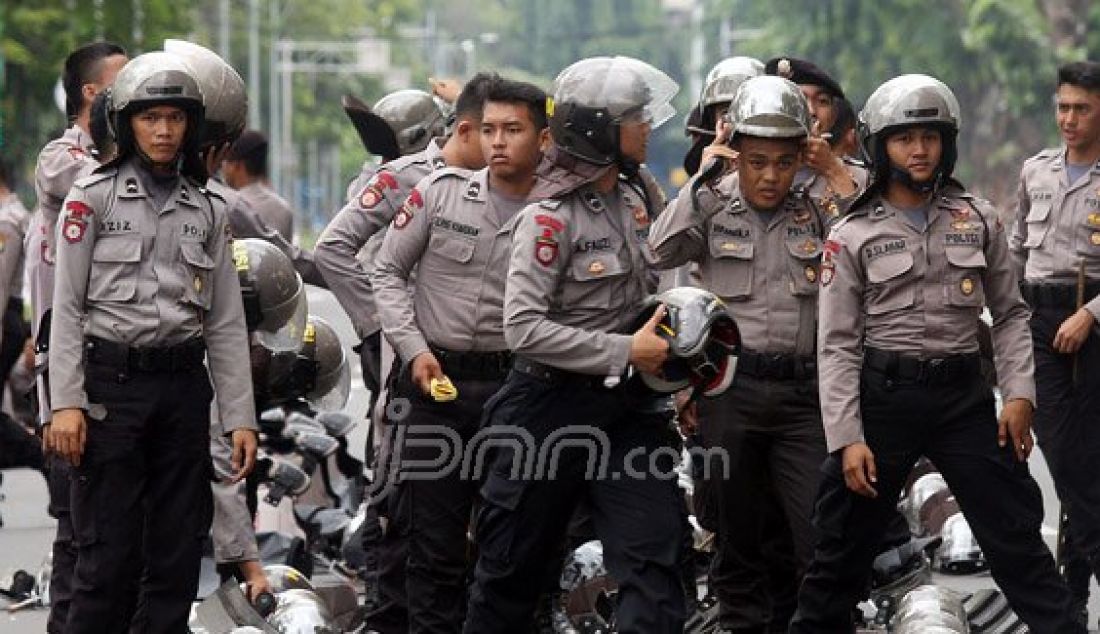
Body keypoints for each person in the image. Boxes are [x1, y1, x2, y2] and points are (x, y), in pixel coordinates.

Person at [790, 73, 1082, 634]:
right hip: (882, 405)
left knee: (1018, 548)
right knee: (838, 562)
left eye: (931, 136)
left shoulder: (979, 218)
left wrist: (1019, 395)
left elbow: (1013, 313)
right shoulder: (850, 235)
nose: (920, 149)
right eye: (904, 138)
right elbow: (837, 344)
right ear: (881, 146)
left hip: (964, 404)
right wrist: (846, 437)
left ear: (948, 141)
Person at [463, 55, 684, 633]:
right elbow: (524, 329)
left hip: (629, 413)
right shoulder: (548, 220)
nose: (647, 127)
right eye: (635, 117)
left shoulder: (638, 199)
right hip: (546, 411)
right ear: (599, 129)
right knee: (509, 579)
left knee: (655, 569)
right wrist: (622, 351)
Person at [47, 52, 258, 633]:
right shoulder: (91, 198)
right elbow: (64, 308)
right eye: (150, 118)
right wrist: (63, 402)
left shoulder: (209, 209)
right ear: (127, 124)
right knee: (107, 561)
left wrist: (240, 417)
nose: (164, 131)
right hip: (110, 391)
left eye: (174, 118)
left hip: (183, 392)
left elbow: (222, 321)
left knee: (176, 560)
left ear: (191, 126)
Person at [370, 76, 549, 633]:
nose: (498, 142)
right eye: (490, 129)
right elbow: (387, 270)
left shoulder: (557, 211)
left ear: (543, 138)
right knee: (433, 550)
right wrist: (413, 348)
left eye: (513, 130)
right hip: (434, 390)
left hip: (516, 393)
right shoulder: (438, 193)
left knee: (510, 550)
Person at [316, 73, 494, 627]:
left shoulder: (509, 185)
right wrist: (379, 328)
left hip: (482, 368)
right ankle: (390, 616)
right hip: (408, 365)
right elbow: (334, 249)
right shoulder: (404, 178)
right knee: (399, 505)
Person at [650, 75, 827, 633]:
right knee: (737, 540)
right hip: (730, 393)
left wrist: (836, 175)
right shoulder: (709, 204)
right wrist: (703, 176)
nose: (770, 176)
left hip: (807, 397)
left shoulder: (821, 205)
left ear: (800, 155)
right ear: (736, 155)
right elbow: (660, 249)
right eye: (755, 161)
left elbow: (864, 247)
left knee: (819, 538)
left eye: (783, 161)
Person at [29, 39, 127, 634]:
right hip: (70, 372)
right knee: (80, 528)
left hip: (116, 372)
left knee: (115, 529)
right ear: (93, 93)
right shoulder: (62, 160)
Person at [1010, 60, 1100, 625]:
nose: (1069, 118)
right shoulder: (1035, 172)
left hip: (1091, 321)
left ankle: (1073, 593)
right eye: (1062, 106)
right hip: (1039, 323)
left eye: (1082, 108)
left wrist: (1090, 314)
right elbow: (1016, 250)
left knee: (1088, 460)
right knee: (1064, 454)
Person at [765, 56, 865, 218]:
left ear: (833, 116)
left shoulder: (861, 179)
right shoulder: (745, 171)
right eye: (800, 99)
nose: (811, 111)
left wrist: (832, 169)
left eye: (822, 101)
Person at [222, 129, 295, 242]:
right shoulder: (284, 210)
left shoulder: (229, 206)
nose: (223, 168)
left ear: (237, 165)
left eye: (225, 161)